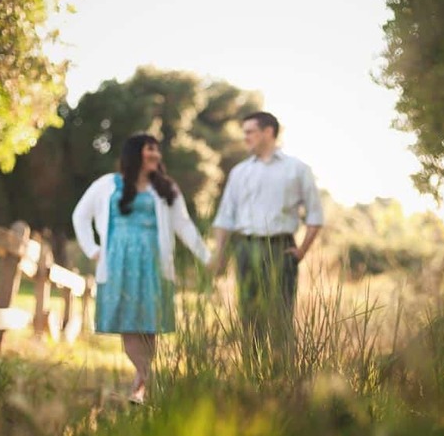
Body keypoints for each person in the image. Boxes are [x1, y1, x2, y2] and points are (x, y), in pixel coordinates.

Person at [72, 133, 211, 404]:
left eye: (157, 150)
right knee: (129, 323)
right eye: (150, 149)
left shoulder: (166, 188)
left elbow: (184, 224)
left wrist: (207, 257)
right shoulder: (107, 184)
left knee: (149, 324)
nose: (156, 155)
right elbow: (80, 215)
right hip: (118, 263)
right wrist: (92, 249)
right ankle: (147, 378)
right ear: (135, 153)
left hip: (154, 263)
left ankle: (141, 385)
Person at [210, 111, 324, 376]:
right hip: (245, 249)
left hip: (280, 249)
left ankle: (284, 378)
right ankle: (253, 377)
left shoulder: (297, 169)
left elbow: (315, 216)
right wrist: (220, 254)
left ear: (268, 132)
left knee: (280, 316)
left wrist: (301, 251)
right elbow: (225, 217)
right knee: (249, 317)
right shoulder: (239, 172)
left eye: (250, 132)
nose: (245, 137)